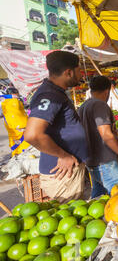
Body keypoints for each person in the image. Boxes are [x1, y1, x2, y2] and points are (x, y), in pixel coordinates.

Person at [24, 51, 88, 203]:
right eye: (79, 70)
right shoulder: (49, 95)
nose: (81, 75)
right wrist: (63, 155)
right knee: (72, 217)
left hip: (67, 171)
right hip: (63, 173)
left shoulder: (55, 92)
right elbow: (32, 134)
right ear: (68, 72)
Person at [78, 76, 118, 198]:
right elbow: (106, 135)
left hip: (91, 159)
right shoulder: (100, 105)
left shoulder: (84, 106)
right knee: (117, 195)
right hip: (104, 160)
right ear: (107, 91)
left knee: (99, 192)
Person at [0, 88, 31, 156]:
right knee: (15, 137)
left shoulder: (17, 100)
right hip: (13, 123)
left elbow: (21, 111)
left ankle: (18, 152)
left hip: (18, 122)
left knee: (18, 137)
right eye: (16, 93)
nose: (18, 95)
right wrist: (10, 96)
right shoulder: (5, 100)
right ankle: (17, 152)